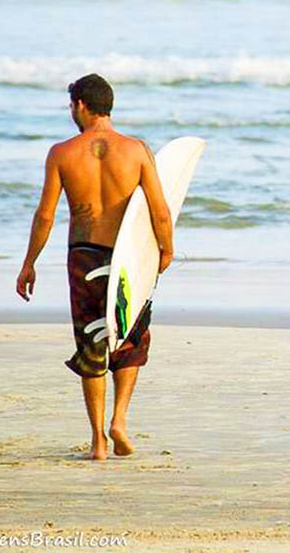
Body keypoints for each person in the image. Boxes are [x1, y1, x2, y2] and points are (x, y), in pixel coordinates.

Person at [16, 73, 174, 461]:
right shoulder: (137, 150)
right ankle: (120, 420)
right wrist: (166, 251)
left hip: (84, 256)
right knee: (130, 338)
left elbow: (45, 216)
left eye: (71, 106)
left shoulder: (61, 153)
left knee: (91, 342)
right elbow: (160, 211)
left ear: (81, 106)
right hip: (128, 257)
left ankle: (99, 441)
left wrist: (29, 263)